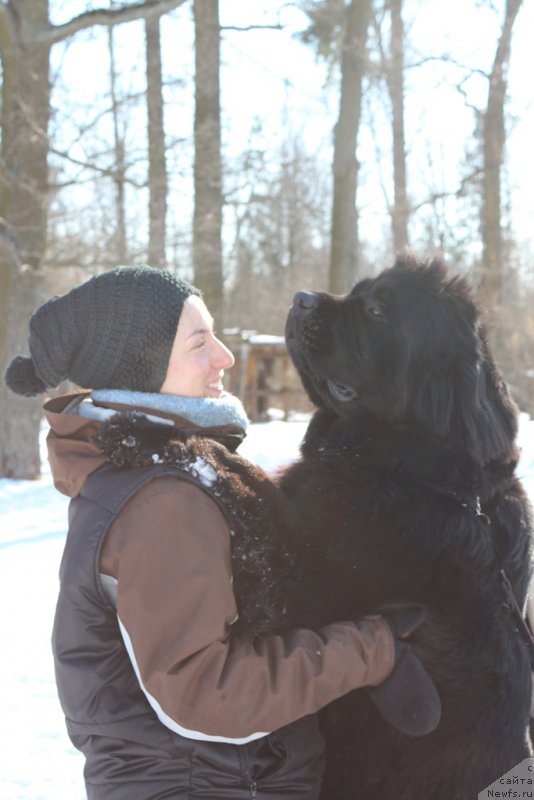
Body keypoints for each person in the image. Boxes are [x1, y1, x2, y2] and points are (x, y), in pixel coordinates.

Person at [5, 266, 438, 800]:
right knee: (512, 787)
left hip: (209, 780)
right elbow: (205, 695)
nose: (225, 357)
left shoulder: (156, 475)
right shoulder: (163, 504)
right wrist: (372, 650)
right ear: (143, 369)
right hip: (206, 785)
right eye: (199, 343)